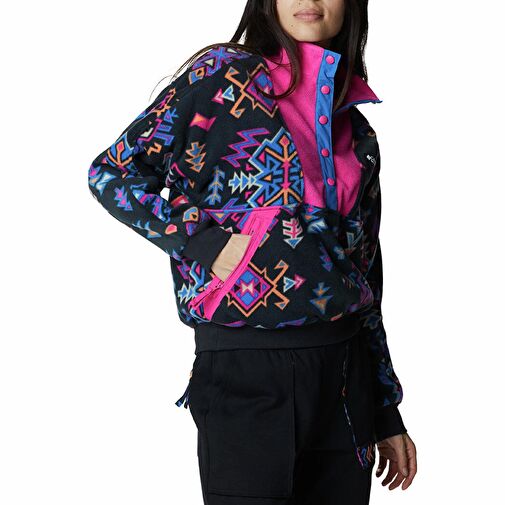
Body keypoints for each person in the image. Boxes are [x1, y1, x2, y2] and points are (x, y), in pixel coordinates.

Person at [87, 0, 417, 503]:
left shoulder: (358, 131)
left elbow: (366, 275)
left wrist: (386, 409)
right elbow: (113, 173)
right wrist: (204, 242)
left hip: (345, 381)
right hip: (245, 368)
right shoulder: (221, 78)